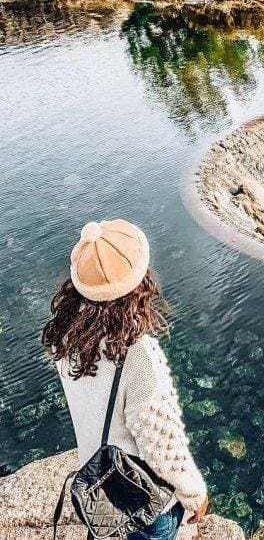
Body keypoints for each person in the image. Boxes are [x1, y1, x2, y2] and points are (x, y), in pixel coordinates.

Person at [42, 219, 209, 540]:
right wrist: (194, 493)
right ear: (140, 281)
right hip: (144, 503)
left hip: (99, 485)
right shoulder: (139, 355)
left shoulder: (65, 336)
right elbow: (161, 445)